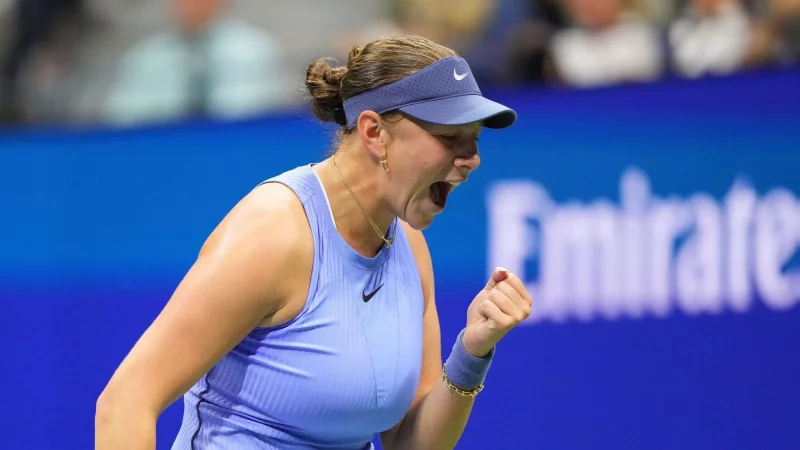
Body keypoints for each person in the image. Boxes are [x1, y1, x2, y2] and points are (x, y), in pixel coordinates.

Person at [95, 35, 533, 450]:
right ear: (374, 132)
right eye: (448, 138)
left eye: (474, 140)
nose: (471, 159)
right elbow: (126, 401)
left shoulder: (409, 243)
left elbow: (408, 441)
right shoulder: (275, 234)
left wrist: (472, 352)